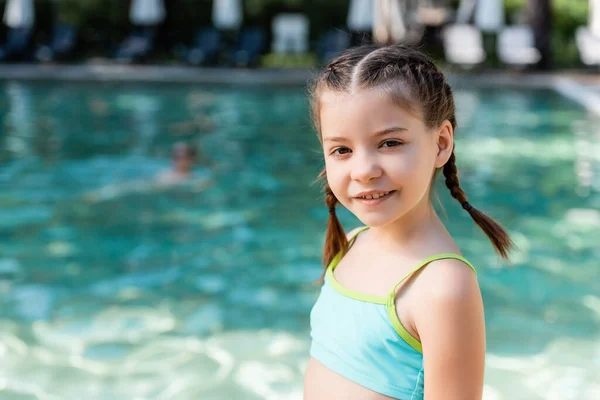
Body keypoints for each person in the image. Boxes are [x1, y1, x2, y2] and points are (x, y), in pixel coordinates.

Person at [303, 44, 512, 400]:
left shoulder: (442, 286)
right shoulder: (353, 242)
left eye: (389, 143)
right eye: (342, 150)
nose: (364, 171)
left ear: (441, 143)